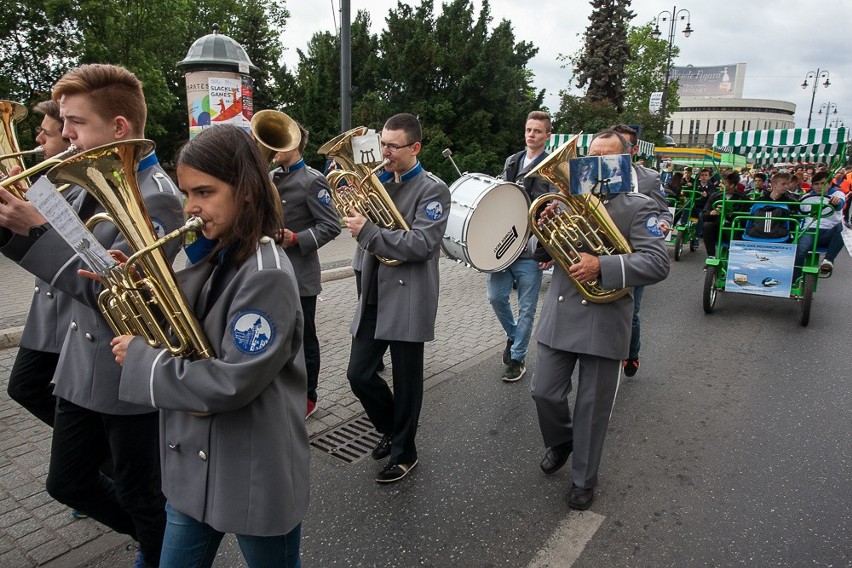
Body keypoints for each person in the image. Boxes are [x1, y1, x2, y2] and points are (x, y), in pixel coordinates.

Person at [0, 64, 185, 568]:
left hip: (122, 371)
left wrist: (38, 233)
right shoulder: (86, 177)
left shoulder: (160, 196)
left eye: (75, 123)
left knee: (141, 494)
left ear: (119, 127)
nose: (65, 136)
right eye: (63, 122)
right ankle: (166, 543)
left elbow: (119, 291)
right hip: (79, 367)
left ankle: (164, 550)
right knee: (69, 483)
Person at [110, 124, 308, 568]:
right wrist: (143, 292)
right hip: (194, 469)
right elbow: (192, 335)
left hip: (253, 467)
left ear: (248, 193)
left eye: (204, 192)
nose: (190, 208)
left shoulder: (266, 274)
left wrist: (142, 361)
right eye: (185, 194)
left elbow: (231, 382)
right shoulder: (214, 255)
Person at [529, 129, 670, 510]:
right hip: (561, 312)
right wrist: (542, 227)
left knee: (592, 409)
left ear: (624, 162)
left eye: (607, 159)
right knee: (543, 391)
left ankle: (583, 479)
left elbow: (657, 263)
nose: (595, 166)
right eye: (590, 158)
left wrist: (602, 265)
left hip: (606, 316)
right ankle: (561, 440)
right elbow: (536, 250)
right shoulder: (566, 199)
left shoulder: (640, 206)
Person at [344, 113, 451, 483]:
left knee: (407, 381)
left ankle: (406, 452)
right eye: (382, 144)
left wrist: (369, 231)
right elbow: (359, 224)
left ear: (415, 148)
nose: (384, 153)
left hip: (408, 293)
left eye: (392, 146)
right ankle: (392, 428)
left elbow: (423, 244)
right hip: (373, 288)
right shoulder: (376, 181)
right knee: (358, 374)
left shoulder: (432, 189)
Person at [6, 100, 80, 427]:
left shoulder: (79, 180)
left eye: (46, 134)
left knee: (29, 387)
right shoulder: (52, 182)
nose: (38, 140)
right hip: (50, 310)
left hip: (72, 309)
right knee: (28, 388)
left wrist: (35, 224)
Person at [271, 122, 341, 419]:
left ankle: (308, 396)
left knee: (304, 339)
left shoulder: (313, 180)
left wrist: (297, 238)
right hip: (273, 272)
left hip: (300, 275)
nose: (273, 149)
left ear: (294, 144)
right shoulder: (269, 177)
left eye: (280, 142)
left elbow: (331, 225)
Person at [488, 110, 555, 382]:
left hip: (531, 246)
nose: (531, 134)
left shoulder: (551, 165)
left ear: (547, 135)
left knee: (527, 307)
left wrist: (548, 249)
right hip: (504, 244)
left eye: (537, 131)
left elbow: (556, 208)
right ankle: (514, 336)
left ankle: (517, 359)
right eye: (529, 129)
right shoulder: (512, 160)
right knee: (495, 296)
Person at [610, 124, 672, 378]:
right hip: (603, 251)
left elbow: (663, 209)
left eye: (624, 147)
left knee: (631, 311)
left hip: (635, 253)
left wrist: (664, 222)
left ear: (633, 150)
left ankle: (631, 353)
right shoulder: (598, 175)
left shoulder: (648, 178)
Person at [795, 170, 847, 277]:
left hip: (829, 233)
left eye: (823, 183)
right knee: (800, 251)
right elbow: (799, 216)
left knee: (844, 226)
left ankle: (828, 260)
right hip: (810, 230)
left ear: (829, 184)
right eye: (816, 184)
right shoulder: (806, 198)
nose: (819, 186)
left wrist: (836, 202)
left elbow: (840, 204)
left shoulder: (837, 194)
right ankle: (795, 279)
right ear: (812, 185)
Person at [700, 171, 749, 257]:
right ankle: (711, 256)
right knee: (707, 225)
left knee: (733, 231)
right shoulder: (715, 196)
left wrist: (731, 215)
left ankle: (733, 258)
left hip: (733, 231)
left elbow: (746, 220)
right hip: (717, 229)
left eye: (723, 183)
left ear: (732, 185)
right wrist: (712, 213)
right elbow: (704, 215)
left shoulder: (742, 198)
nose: (720, 185)